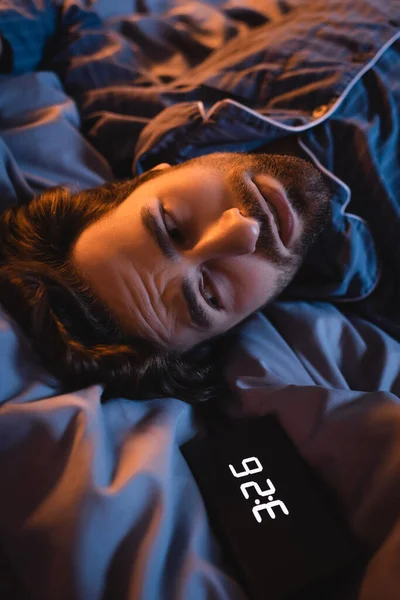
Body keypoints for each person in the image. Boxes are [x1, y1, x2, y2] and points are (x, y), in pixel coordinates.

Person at [0, 0, 399, 402]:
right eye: (210, 295)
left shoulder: (124, 116)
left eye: (172, 225)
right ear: (239, 324)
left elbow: (64, 15)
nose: (243, 230)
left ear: (151, 176)